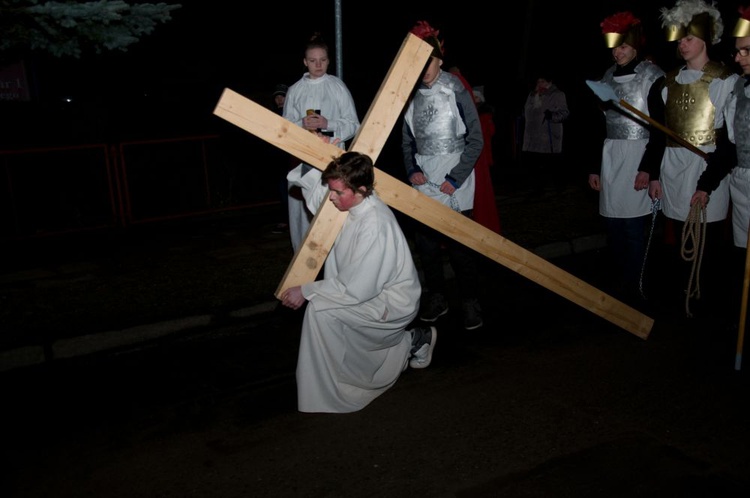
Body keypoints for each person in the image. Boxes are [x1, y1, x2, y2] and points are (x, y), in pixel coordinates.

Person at [280, 147, 436, 414]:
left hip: (391, 302)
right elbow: (317, 194)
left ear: (362, 190)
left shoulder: (375, 224)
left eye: (338, 192)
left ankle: (407, 344)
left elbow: (358, 288)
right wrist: (311, 152)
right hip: (363, 292)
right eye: (332, 190)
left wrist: (306, 291)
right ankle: (409, 342)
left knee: (321, 312)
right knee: (324, 313)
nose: (331, 198)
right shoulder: (348, 203)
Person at [651, 0, 739, 314]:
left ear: (705, 39)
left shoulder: (724, 80)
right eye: (680, 39)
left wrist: (710, 178)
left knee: (709, 233)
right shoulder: (666, 84)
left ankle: (710, 296)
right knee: (678, 230)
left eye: (689, 39)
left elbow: (729, 139)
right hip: (673, 166)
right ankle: (684, 290)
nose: (682, 45)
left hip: (707, 164)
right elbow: (659, 136)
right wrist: (654, 174)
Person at [402, 21, 485, 330]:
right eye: (420, 61)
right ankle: (437, 297)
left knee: (461, 246)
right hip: (425, 178)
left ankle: (470, 301)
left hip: (455, 176)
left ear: (440, 59)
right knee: (426, 245)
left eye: (431, 60)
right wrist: (411, 169)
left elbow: (476, 138)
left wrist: (457, 176)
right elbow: (406, 140)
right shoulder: (408, 94)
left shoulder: (455, 88)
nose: (426, 68)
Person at [588, 11, 666, 303]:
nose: (617, 52)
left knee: (634, 227)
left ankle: (638, 284)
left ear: (634, 45)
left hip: (639, 154)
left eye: (622, 46)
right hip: (612, 156)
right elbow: (599, 126)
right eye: (614, 46)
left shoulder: (651, 76)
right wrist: (594, 168)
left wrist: (649, 169)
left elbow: (660, 129)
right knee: (614, 225)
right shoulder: (607, 77)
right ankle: (621, 280)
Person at [282, 33, 360, 252]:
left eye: (323, 60)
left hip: (332, 161)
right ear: (305, 62)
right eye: (313, 60)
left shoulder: (337, 87)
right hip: (302, 162)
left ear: (328, 60)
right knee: (303, 219)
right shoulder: (295, 90)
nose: (318, 64)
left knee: (333, 214)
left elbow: (354, 124)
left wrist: (328, 123)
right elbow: (283, 129)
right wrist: (300, 124)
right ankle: (303, 269)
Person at [521, 73, 570, 194]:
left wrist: (552, 116)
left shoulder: (557, 94)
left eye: (542, 81)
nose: (539, 84)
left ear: (549, 82)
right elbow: (526, 111)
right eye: (538, 82)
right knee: (534, 165)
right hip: (532, 137)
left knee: (553, 164)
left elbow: (565, 113)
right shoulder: (532, 95)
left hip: (549, 137)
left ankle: (559, 187)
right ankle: (536, 188)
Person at [271, 83, 291, 234]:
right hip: (279, 161)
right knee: (282, 191)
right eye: (277, 97)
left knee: (290, 191)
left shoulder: (292, 112)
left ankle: (290, 221)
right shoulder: (273, 114)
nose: (279, 99)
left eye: (282, 96)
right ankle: (286, 220)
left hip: (292, 160)